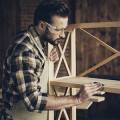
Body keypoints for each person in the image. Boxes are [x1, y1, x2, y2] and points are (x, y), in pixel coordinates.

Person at [2, 0, 103, 120]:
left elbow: (34, 74)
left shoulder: (35, 41)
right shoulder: (24, 50)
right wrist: (77, 99)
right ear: (42, 25)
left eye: (64, 29)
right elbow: (33, 101)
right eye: (58, 29)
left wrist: (47, 60)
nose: (63, 35)